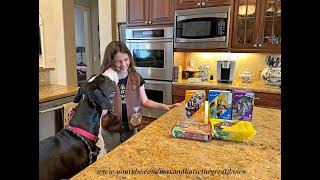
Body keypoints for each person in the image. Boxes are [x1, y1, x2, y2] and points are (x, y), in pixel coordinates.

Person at [74, 41, 181, 153]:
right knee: (113, 156)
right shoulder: (105, 81)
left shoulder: (136, 78)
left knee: (129, 153)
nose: (124, 64)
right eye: (118, 61)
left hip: (131, 126)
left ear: (130, 58)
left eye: (126, 60)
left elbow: (145, 101)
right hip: (111, 129)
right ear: (110, 62)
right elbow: (102, 109)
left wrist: (165, 106)